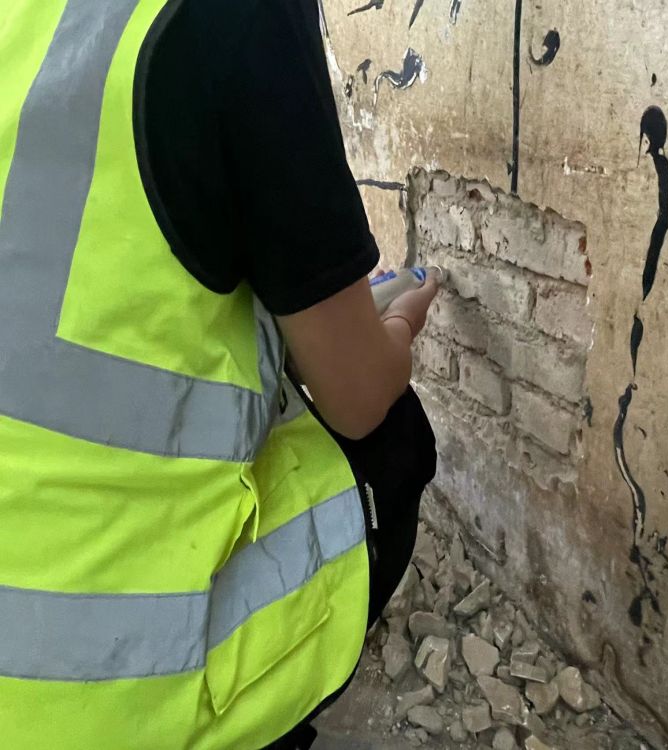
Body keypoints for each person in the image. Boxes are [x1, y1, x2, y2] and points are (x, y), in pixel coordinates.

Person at [0, 1, 438, 748]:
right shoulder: (240, 17)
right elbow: (359, 397)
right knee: (394, 439)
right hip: (86, 695)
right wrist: (391, 332)